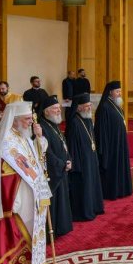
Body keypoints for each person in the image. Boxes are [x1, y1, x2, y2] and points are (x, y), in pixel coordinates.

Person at [0, 102, 52, 264]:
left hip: (32, 196)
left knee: (32, 233)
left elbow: (37, 159)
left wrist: (39, 139)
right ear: (14, 121)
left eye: (31, 119)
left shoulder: (23, 137)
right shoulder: (5, 143)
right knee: (14, 237)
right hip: (16, 201)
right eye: (27, 120)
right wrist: (12, 200)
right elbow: (1, 177)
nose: (30, 122)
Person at [66, 93, 105, 221]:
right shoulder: (74, 123)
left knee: (93, 183)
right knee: (84, 186)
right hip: (81, 162)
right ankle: (84, 212)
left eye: (90, 105)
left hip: (91, 159)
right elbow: (72, 147)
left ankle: (94, 207)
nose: (89, 108)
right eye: (86, 106)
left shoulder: (87, 120)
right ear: (78, 107)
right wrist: (77, 165)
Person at [38, 98, 74, 239]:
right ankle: (54, 230)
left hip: (62, 168)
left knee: (63, 199)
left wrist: (69, 159)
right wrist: (62, 164)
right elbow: (46, 153)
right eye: (55, 108)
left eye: (59, 108)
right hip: (53, 172)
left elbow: (64, 145)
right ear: (46, 112)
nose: (59, 110)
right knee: (55, 201)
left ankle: (62, 227)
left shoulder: (54, 124)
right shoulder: (43, 127)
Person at [95, 80, 133, 201]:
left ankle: (122, 189)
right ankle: (112, 191)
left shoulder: (115, 105)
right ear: (110, 92)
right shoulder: (104, 107)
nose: (120, 93)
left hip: (119, 142)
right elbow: (101, 129)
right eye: (117, 91)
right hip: (111, 145)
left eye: (120, 91)